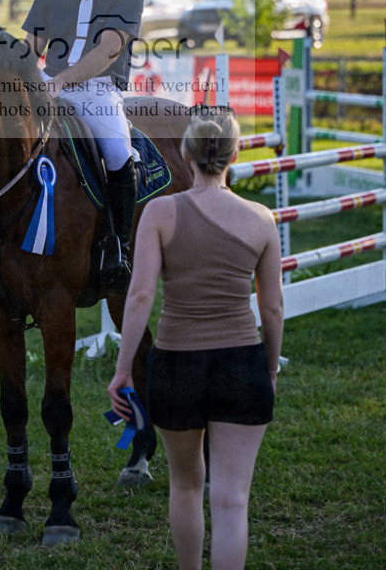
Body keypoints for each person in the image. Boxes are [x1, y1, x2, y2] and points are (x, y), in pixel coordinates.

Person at [107, 106, 284, 570]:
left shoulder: (160, 211)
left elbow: (141, 294)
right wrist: (269, 367)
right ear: (236, 152)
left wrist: (124, 369)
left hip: (176, 366)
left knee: (184, 486)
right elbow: (271, 307)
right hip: (242, 366)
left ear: (185, 152)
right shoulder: (262, 219)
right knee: (231, 501)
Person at [22, 0, 144, 292]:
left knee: (117, 151)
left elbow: (109, 49)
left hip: (97, 91)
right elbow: (30, 46)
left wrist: (60, 82)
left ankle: (118, 248)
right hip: (48, 85)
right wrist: (21, 78)